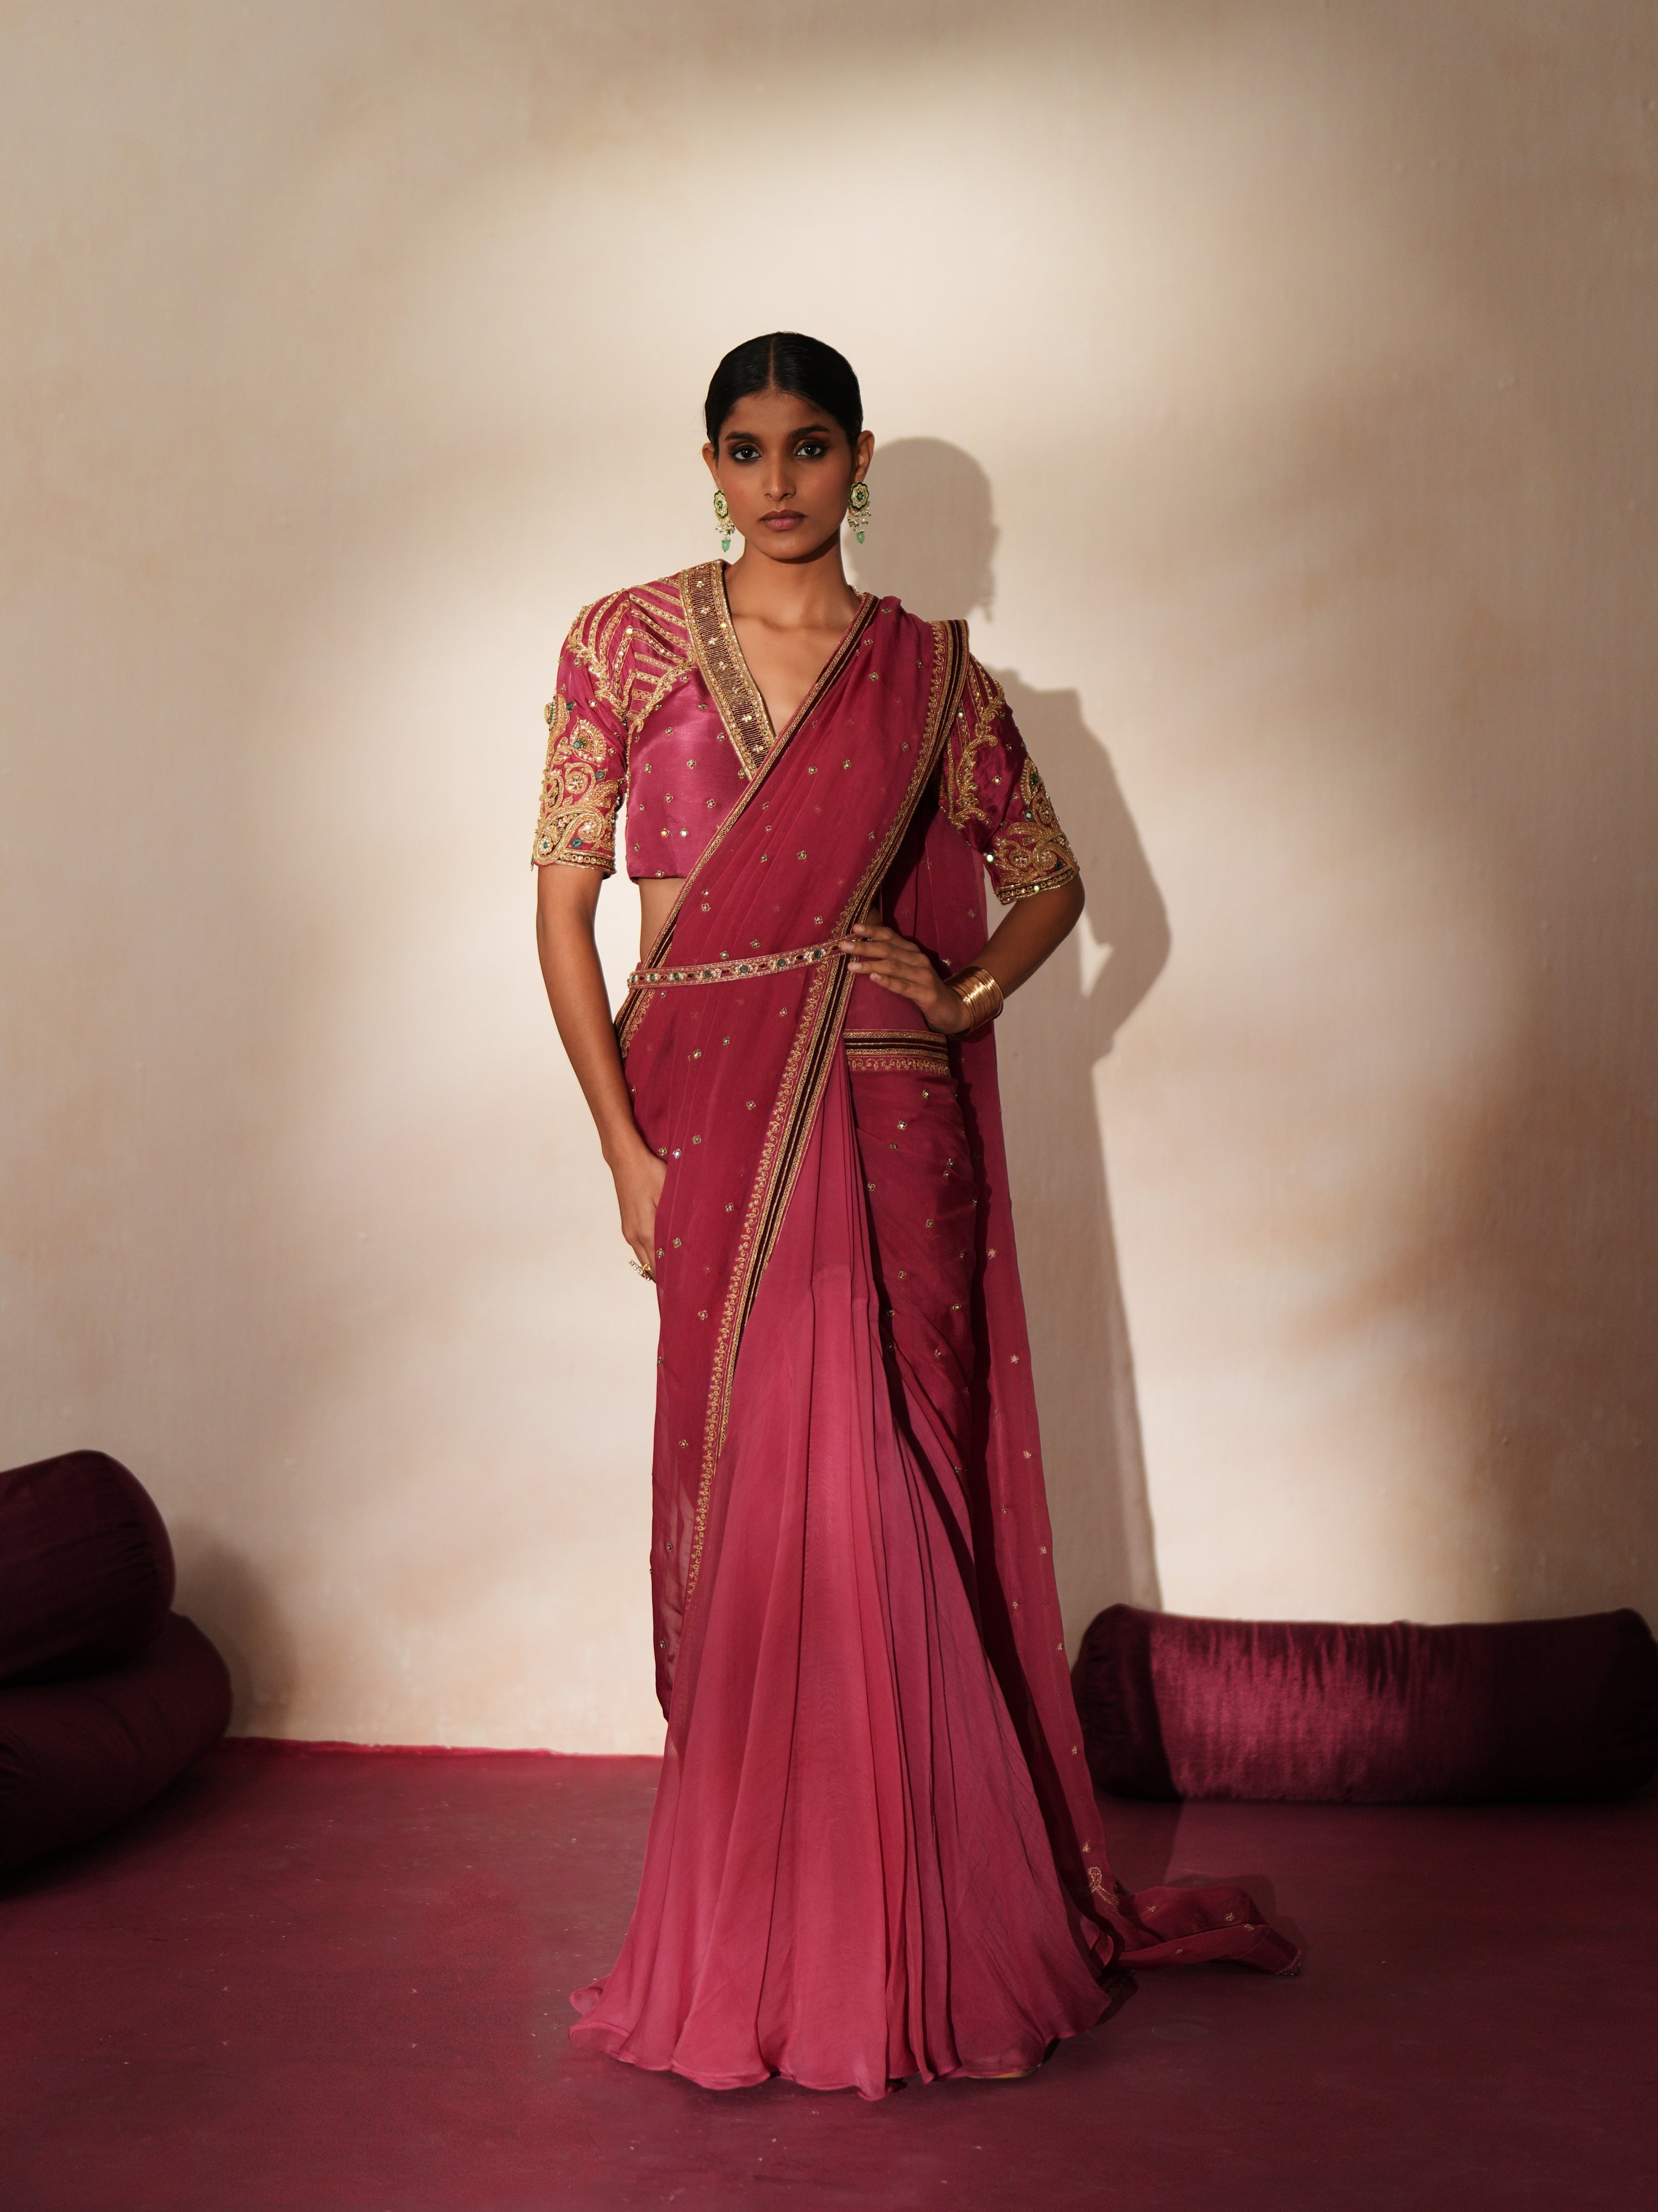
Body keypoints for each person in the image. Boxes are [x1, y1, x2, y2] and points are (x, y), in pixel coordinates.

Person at [533, 334, 1294, 2100]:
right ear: (709, 468)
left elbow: (1052, 878)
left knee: (900, 1493)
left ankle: (929, 1936)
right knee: (758, 1509)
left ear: (857, 462)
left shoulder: (933, 675)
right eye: (746, 450)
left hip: (889, 1111)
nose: (777, 480)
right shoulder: (621, 645)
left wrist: (962, 994)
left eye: (809, 447)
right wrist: (622, 1149)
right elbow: (567, 913)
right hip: (712, 1115)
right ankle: (774, 1929)